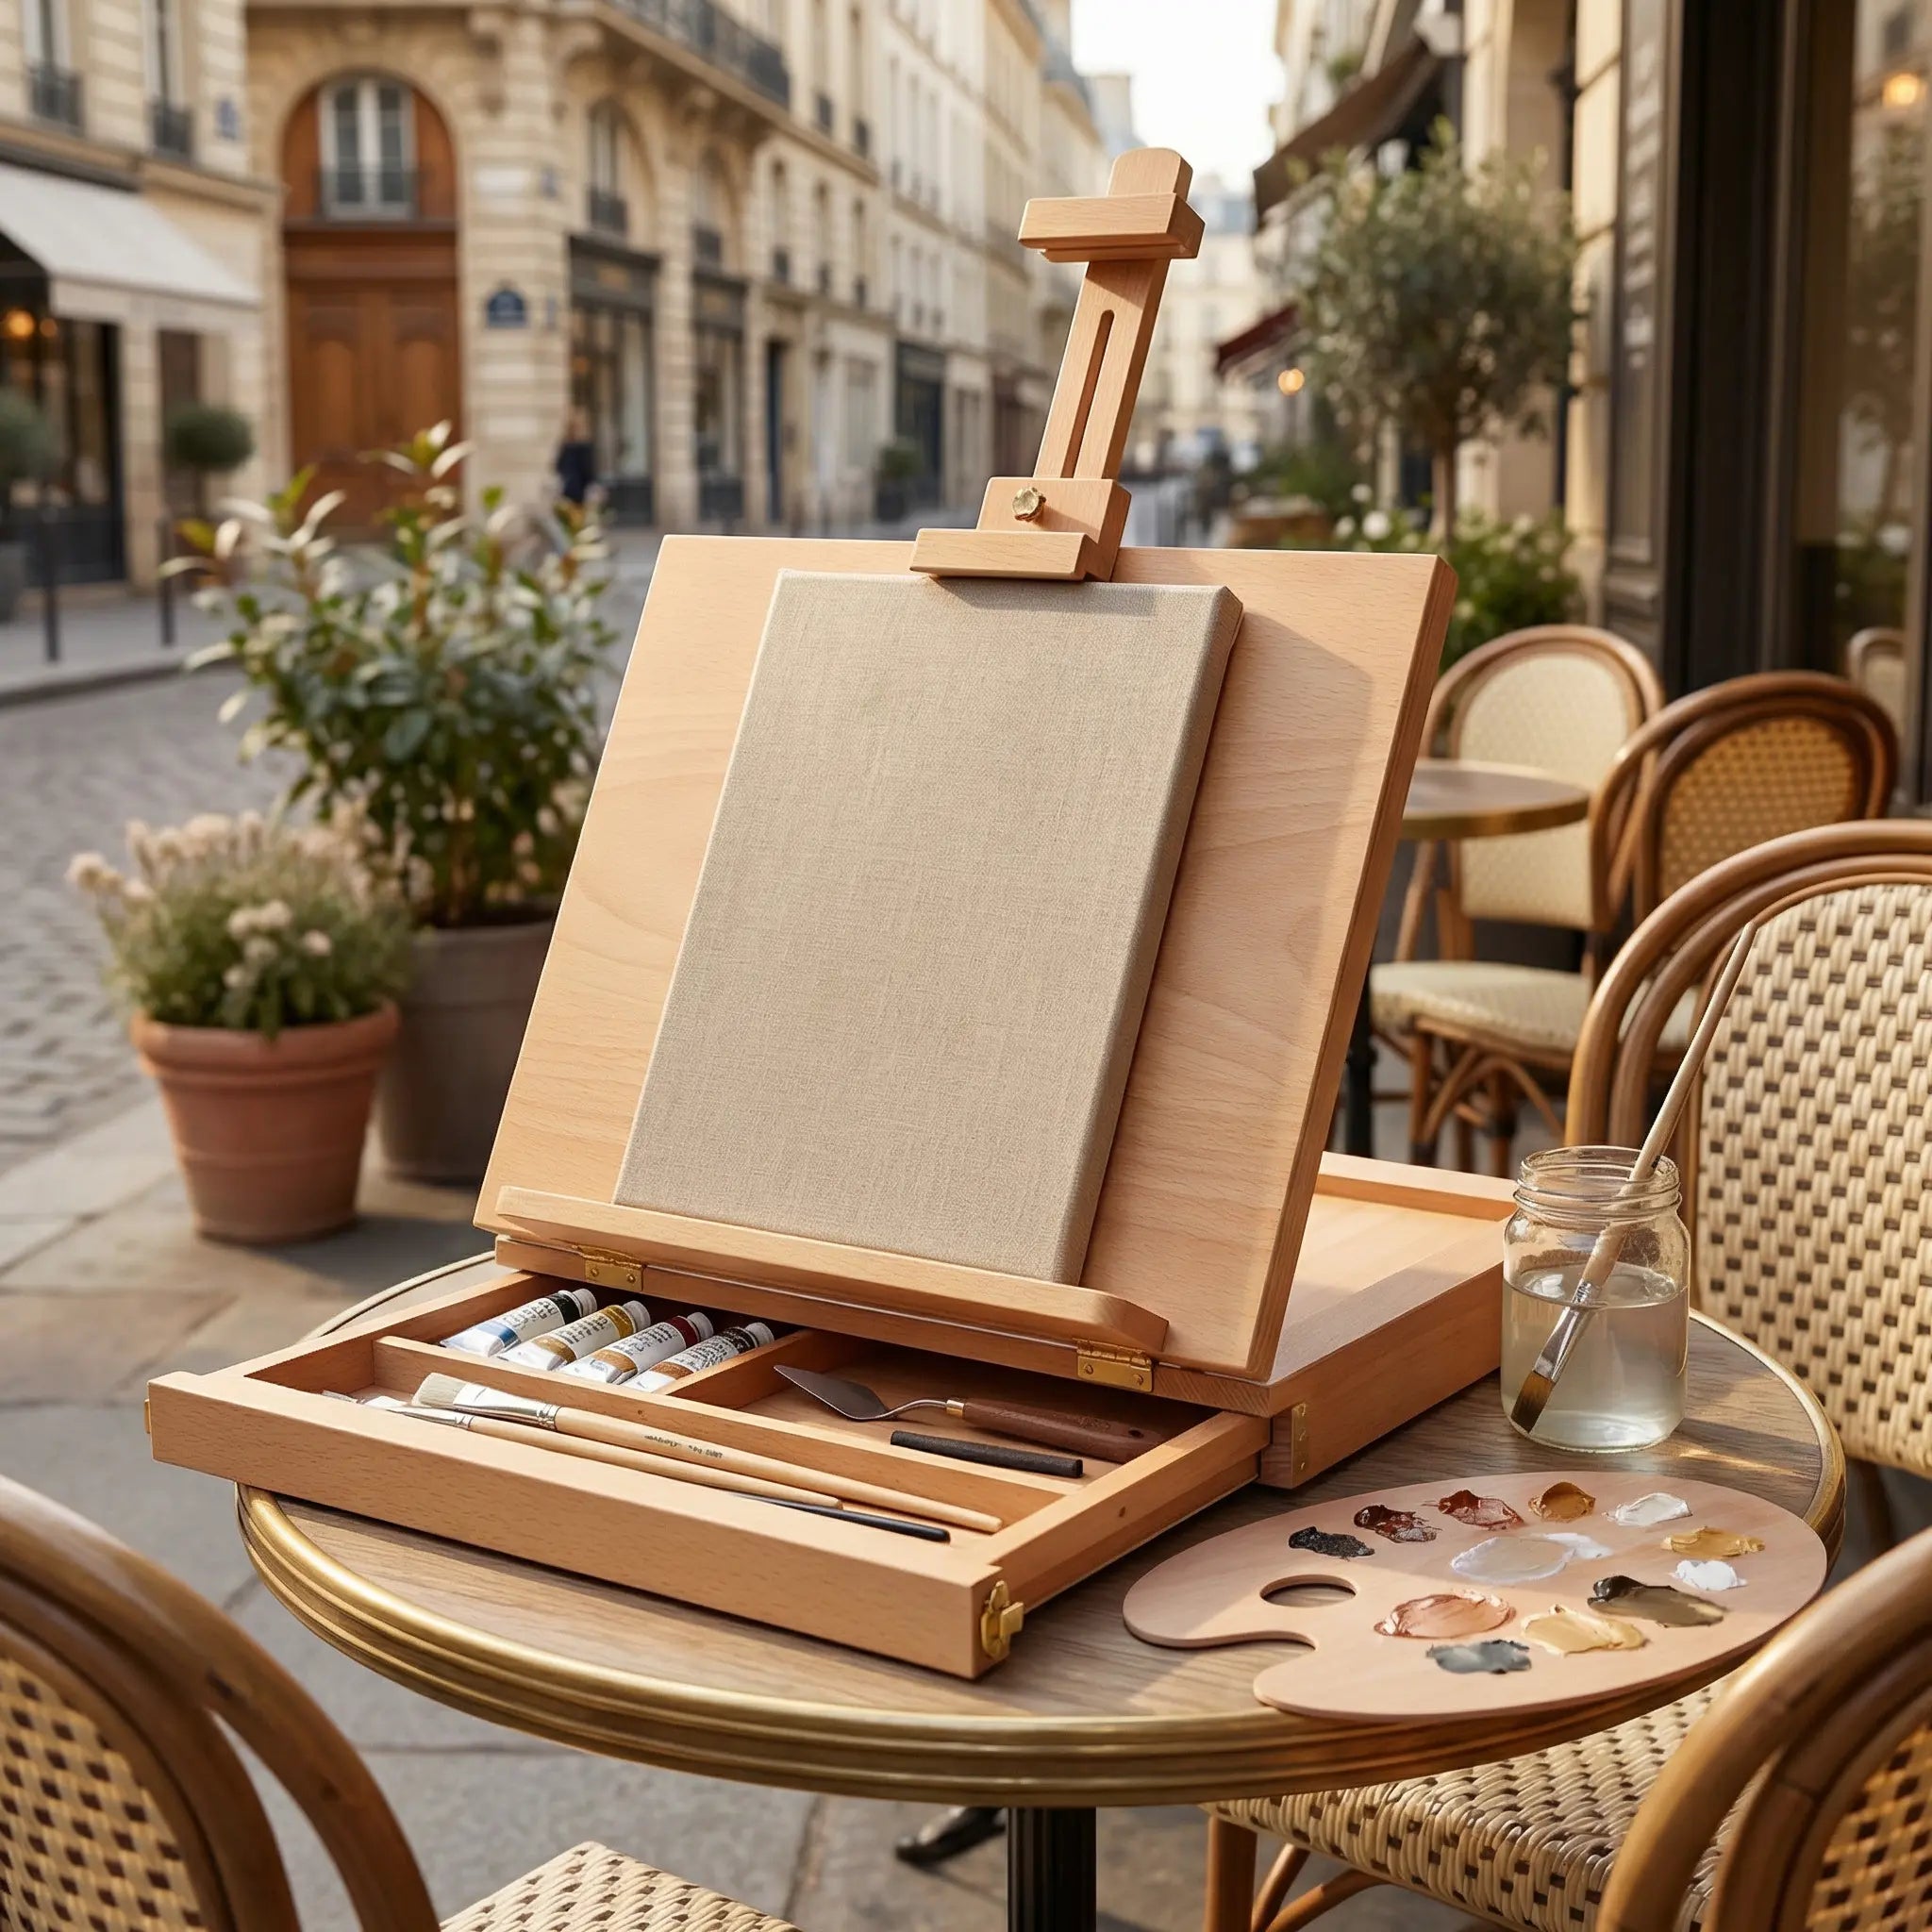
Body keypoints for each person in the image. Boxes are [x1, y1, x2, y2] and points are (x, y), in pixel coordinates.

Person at [555, 408, 595, 507]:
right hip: (578, 490)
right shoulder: (582, 446)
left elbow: (558, 466)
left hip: (569, 488)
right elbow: (588, 470)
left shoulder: (568, 445)